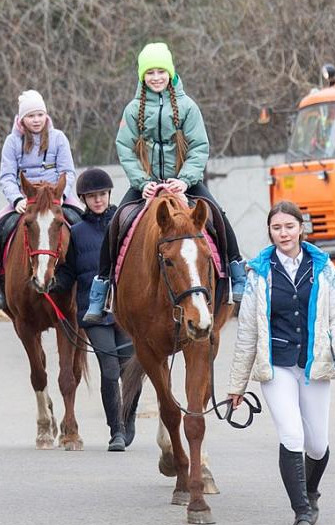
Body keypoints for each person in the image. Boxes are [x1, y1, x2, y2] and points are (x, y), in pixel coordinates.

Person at [82, 42, 246, 324]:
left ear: (170, 73)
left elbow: (199, 146)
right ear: (142, 76)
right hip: (146, 183)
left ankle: (236, 270)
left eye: (161, 71)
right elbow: (125, 147)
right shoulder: (133, 110)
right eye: (150, 72)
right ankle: (103, 288)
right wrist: (142, 182)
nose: (156, 77)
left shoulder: (187, 106)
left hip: (183, 182)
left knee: (217, 214)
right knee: (115, 223)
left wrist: (184, 180)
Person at [226, 201, 335, 525]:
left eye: (288, 226)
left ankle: (310, 492)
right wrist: (237, 385)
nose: (283, 233)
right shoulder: (259, 273)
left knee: (318, 445)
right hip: (276, 365)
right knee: (292, 435)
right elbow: (247, 333)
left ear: (302, 228)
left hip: (314, 364)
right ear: (269, 232)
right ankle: (301, 512)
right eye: (276, 228)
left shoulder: (324, 268)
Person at [54, 168, 140, 452]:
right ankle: (115, 430)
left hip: (125, 309)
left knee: (131, 370)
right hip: (94, 312)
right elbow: (69, 273)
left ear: (109, 195)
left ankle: (129, 420)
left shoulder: (124, 223)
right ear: (83, 199)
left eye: (102, 195)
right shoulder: (76, 233)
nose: (98, 200)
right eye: (91, 197)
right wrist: (52, 285)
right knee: (110, 368)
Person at [0, 89, 78, 309]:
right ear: (22, 119)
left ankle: (89, 276)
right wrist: (17, 199)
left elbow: (68, 171)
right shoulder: (12, 142)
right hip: (26, 199)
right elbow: (7, 176)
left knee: (83, 224)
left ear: (46, 116)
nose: (36, 120)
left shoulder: (58, 138)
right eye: (30, 116)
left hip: (56, 198)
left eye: (39, 115)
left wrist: (62, 196)